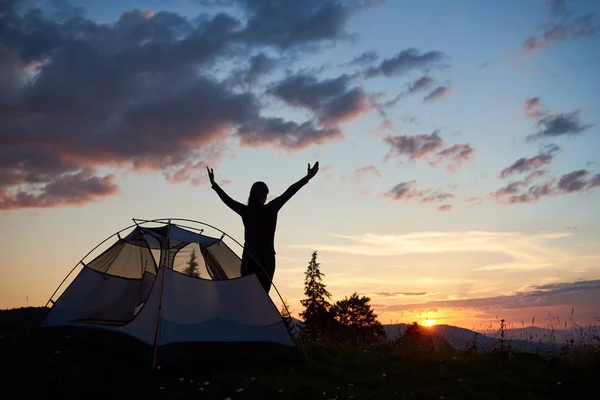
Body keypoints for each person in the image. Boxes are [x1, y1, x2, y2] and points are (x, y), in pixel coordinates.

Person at [207, 162, 320, 293]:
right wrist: (307, 178)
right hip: (267, 260)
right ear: (264, 195)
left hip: (250, 258)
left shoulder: (246, 211)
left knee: (247, 295)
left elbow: (227, 200)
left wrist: (215, 185)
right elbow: (289, 192)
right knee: (261, 297)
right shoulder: (271, 209)